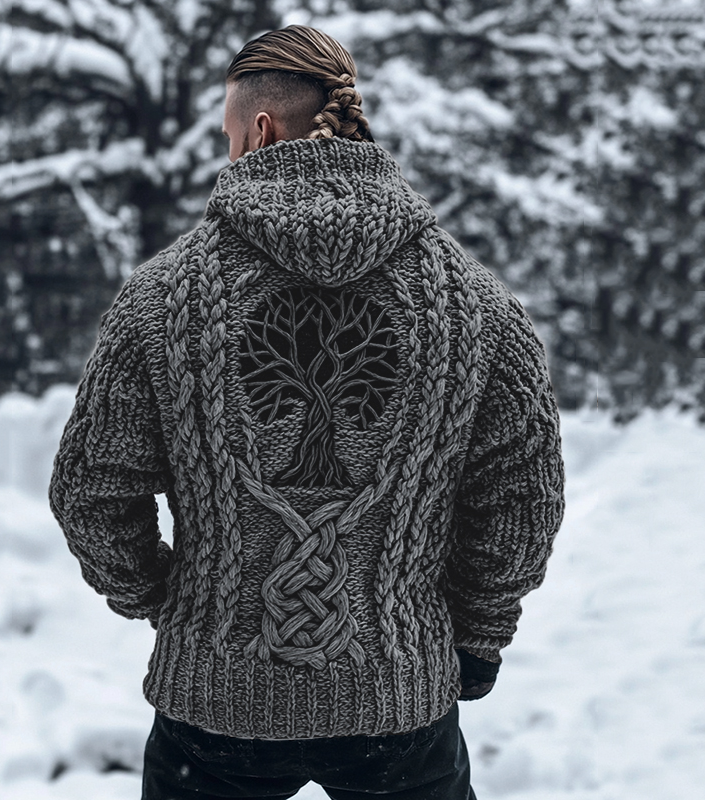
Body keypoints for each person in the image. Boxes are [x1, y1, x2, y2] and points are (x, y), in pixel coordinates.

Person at [49, 24, 565, 800]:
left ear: (259, 131)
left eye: (229, 139)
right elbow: (523, 499)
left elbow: (90, 492)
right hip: (400, 709)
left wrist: (174, 606)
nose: (229, 155)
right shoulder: (476, 305)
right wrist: (477, 632)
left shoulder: (162, 298)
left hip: (216, 710)